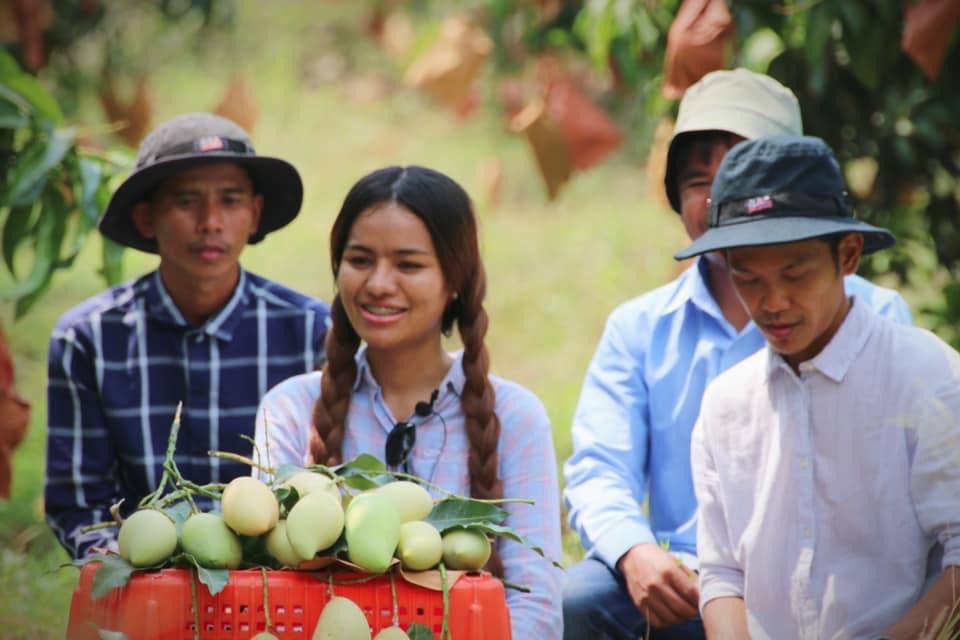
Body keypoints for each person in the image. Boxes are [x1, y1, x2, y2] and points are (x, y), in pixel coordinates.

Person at [561, 69, 913, 639]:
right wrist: (635, 552)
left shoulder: (875, 317)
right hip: (689, 582)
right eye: (698, 181)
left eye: (740, 174)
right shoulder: (640, 329)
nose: (718, 199)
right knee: (582, 599)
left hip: (831, 584)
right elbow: (599, 468)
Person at [253, 165, 563, 638]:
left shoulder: (515, 417)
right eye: (360, 260)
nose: (379, 283)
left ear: (455, 280)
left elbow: (535, 606)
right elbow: (266, 583)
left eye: (409, 265)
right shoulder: (291, 408)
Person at [684, 134, 960, 639]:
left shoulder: (928, 377)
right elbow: (722, 573)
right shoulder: (725, 405)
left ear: (848, 255)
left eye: (795, 273)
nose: (773, 303)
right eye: (749, 279)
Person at [45, 113, 329, 559]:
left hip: (277, 582)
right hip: (141, 578)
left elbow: (327, 492)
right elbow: (80, 506)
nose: (210, 221)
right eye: (185, 201)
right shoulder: (90, 339)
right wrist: (128, 565)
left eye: (230, 200)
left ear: (254, 215)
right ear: (146, 217)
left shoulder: (312, 331)